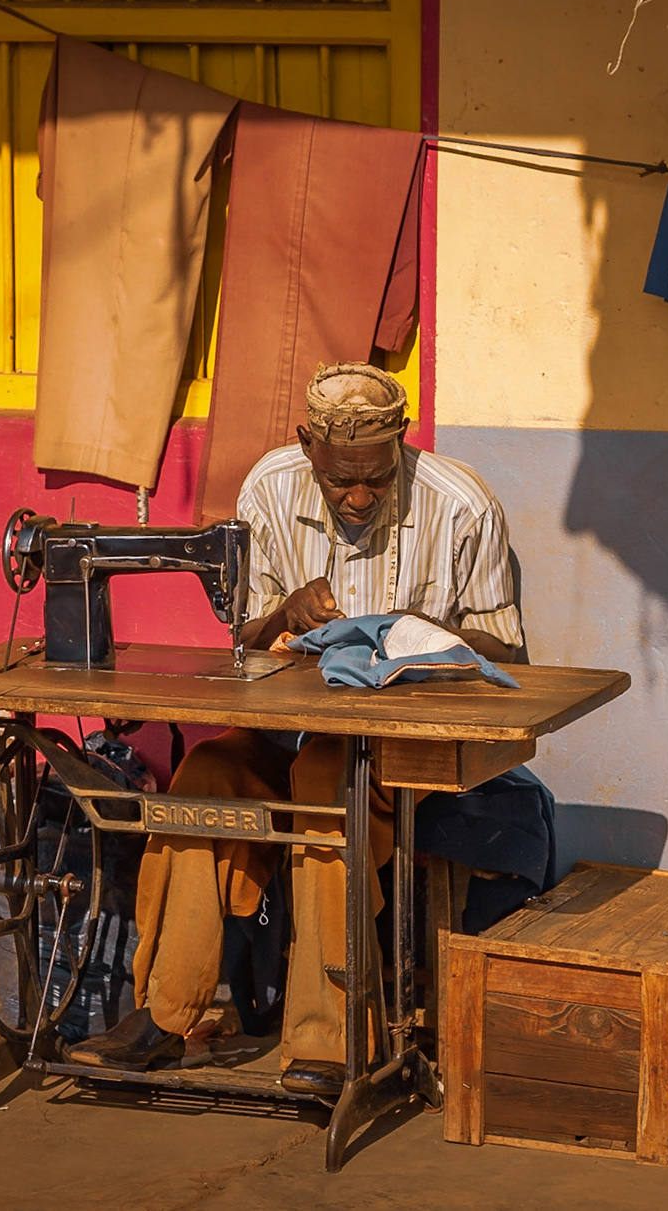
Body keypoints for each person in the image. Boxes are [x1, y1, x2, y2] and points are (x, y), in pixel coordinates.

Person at [66, 364, 522, 1098]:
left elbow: (509, 652)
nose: (360, 496)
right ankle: (165, 1012)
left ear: (402, 442)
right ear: (308, 446)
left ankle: (328, 1035)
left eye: (376, 478)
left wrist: (426, 632)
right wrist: (284, 615)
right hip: (289, 733)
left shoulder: (461, 506)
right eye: (343, 480)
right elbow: (242, 633)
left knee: (323, 784)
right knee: (206, 776)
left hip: (402, 754)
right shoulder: (269, 489)